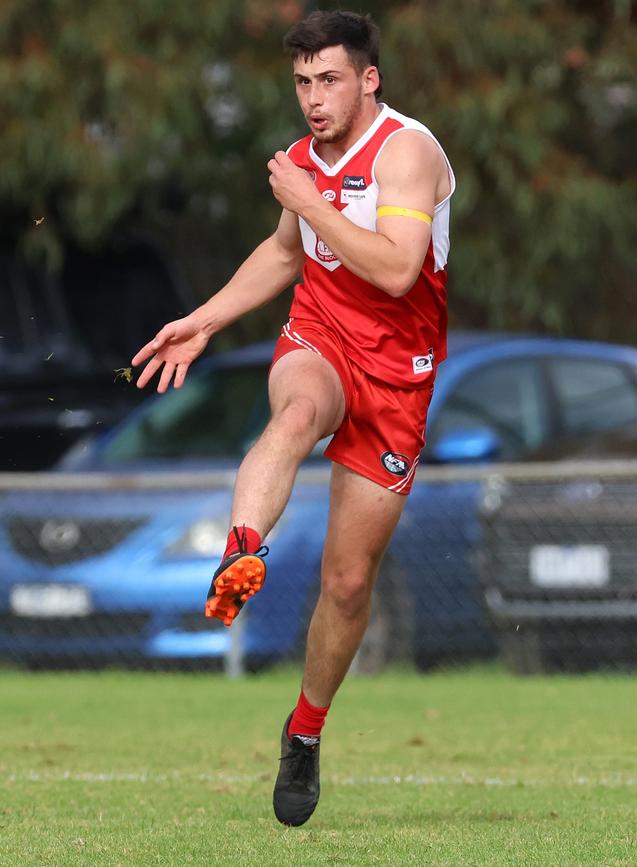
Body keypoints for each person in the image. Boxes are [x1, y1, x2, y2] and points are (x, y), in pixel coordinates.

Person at [131, 9, 454, 827]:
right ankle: (243, 547)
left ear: (368, 79)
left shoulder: (407, 150)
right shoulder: (306, 164)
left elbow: (395, 268)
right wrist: (205, 319)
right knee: (297, 410)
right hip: (320, 337)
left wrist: (309, 202)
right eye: (303, 82)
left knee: (347, 583)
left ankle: (304, 731)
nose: (313, 98)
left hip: (398, 373)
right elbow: (284, 253)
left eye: (330, 80)